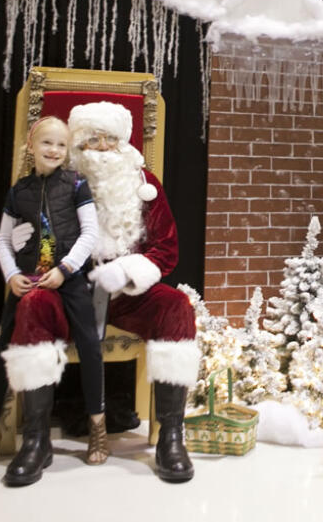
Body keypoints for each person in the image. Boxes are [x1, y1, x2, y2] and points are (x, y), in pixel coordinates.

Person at [0, 116, 106, 485]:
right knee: (4, 348)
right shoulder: (19, 190)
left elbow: (90, 232)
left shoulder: (76, 183)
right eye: (47, 144)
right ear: (32, 146)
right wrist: (11, 275)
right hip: (29, 281)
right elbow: (2, 240)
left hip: (68, 279)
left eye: (61, 144)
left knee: (90, 345)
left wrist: (66, 268)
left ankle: (97, 425)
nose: (54, 150)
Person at [67, 101, 200, 483]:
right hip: (71, 292)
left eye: (111, 138)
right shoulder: (62, 180)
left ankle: (170, 436)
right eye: (94, 139)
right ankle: (34, 436)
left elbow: (166, 248)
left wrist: (125, 270)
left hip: (128, 295)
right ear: (80, 142)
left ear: (123, 141)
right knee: (33, 306)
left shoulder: (144, 183)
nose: (104, 148)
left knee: (175, 306)